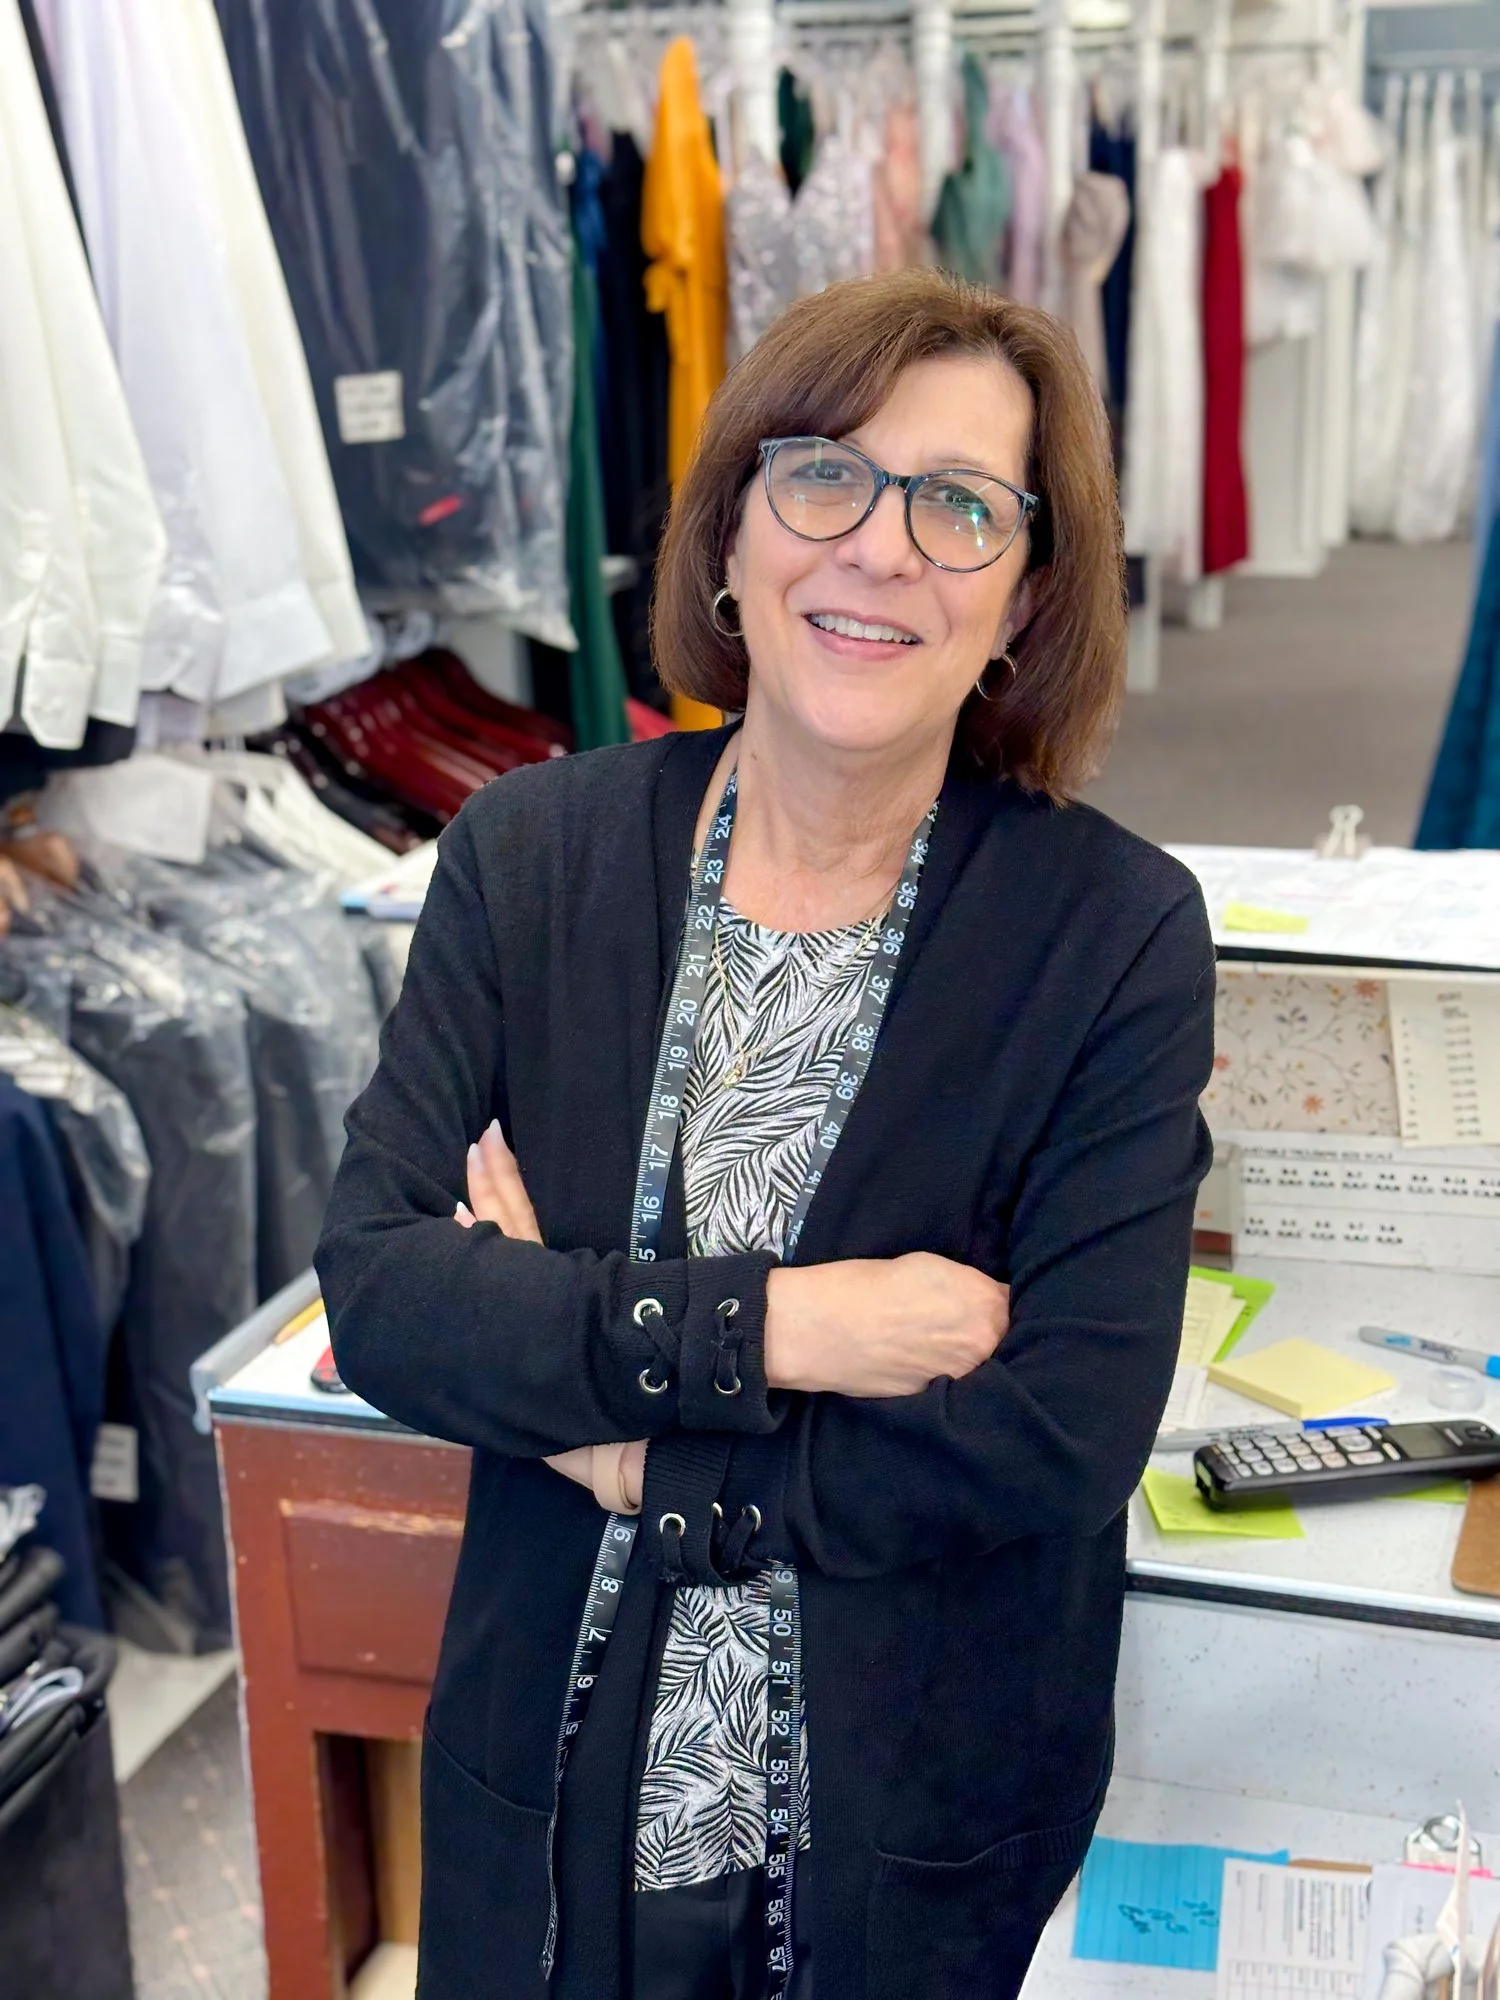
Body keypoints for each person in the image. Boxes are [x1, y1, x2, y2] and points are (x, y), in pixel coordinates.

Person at [317, 266, 1215, 2000]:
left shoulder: (1111, 934)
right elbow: (385, 1298)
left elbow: (1053, 1436)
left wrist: (629, 1444)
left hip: (906, 1828)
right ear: (729, 537)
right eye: (824, 475)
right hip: (550, 1798)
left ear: (1026, 594)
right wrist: (792, 1328)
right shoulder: (529, 859)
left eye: (961, 506)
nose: (880, 548)